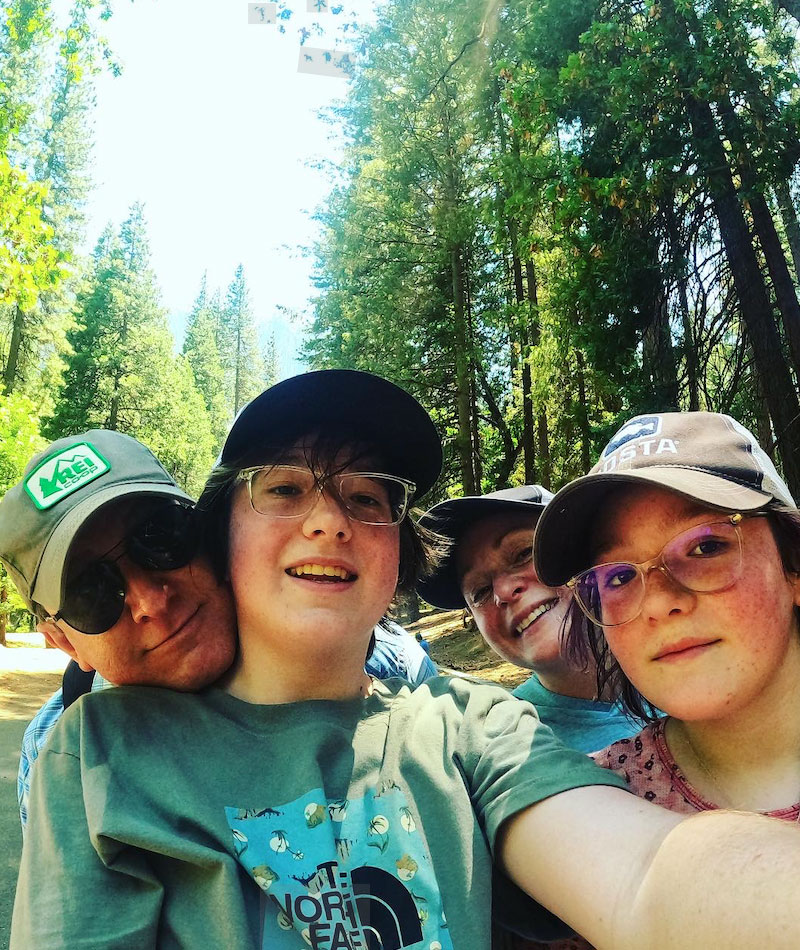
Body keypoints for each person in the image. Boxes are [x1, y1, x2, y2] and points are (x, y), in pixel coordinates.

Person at [11, 374, 800, 950]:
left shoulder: (474, 727)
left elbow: (647, 878)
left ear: (395, 556)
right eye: (284, 489)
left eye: (366, 498)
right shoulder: (98, 755)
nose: (327, 519)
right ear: (225, 534)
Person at [9, 429, 435, 830]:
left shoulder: (391, 666)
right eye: (91, 594)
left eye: (161, 539)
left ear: (210, 534)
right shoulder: (54, 753)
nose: (152, 602)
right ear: (63, 642)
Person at [530, 410, 800, 949]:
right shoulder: (591, 811)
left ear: (793, 568)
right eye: (620, 576)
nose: (658, 602)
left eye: (704, 546)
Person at [417, 486, 642, 751]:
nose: (503, 591)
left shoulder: (684, 662)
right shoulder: (504, 745)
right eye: (480, 591)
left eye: (523, 553)